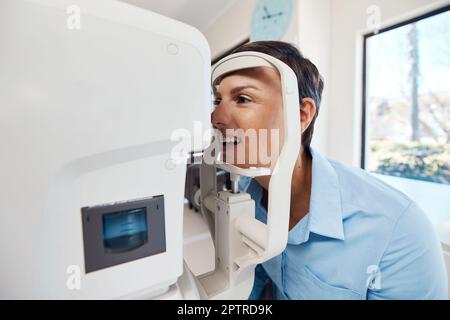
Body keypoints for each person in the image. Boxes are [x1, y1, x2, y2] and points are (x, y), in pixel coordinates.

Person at [211, 41, 448, 299]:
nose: (216, 117)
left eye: (242, 99)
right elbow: (256, 280)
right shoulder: (248, 198)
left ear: (301, 115)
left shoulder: (399, 231)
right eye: (218, 100)